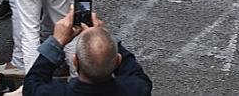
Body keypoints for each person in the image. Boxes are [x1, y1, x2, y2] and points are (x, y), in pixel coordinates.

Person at [22, 8, 153, 96]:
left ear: (75, 61)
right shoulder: (137, 89)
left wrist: (58, 41)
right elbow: (134, 72)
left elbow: (32, 81)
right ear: (118, 60)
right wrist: (105, 36)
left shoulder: (54, 92)